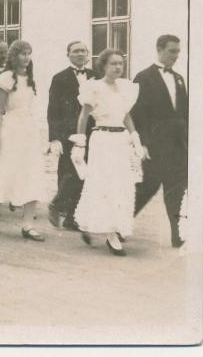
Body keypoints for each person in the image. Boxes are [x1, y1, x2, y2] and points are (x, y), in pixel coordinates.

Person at [72, 49, 142, 256]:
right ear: (103, 66)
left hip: (121, 141)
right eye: (113, 63)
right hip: (102, 139)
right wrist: (80, 143)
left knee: (122, 185)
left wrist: (134, 136)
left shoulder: (126, 88)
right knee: (104, 184)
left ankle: (110, 227)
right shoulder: (94, 87)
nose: (118, 67)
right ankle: (111, 235)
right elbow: (83, 116)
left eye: (120, 63)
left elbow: (125, 115)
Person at [0, 40, 46, 241]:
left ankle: (28, 225)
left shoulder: (31, 79)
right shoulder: (5, 78)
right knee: (5, 173)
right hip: (10, 130)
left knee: (31, 173)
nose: (26, 57)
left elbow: (33, 108)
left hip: (28, 131)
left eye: (29, 53)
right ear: (13, 57)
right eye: (22, 53)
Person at [132, 34, 189, 248]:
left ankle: (177, 234)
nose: (176, 56)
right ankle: (119, 227)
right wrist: (143, 143)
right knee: (148, 187)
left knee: (176, 189)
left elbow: (184, 112)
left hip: (178, 144)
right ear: (159, 49)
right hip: (155, 143)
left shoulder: (179, 78)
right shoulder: (144, 77)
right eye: (172, 51)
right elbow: (138, 113)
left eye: (178, 52)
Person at [47, 41, 96, 231]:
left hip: (91, 131)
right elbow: (53, 110)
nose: (80, 54)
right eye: (76, 51)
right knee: (68, 171)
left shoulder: (96, 76)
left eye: (83, 51)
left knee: (85, 173)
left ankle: (72, 216)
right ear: (68, 55)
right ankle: (60, 208)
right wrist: (55, 137)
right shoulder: (60, 78)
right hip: (68, 133)